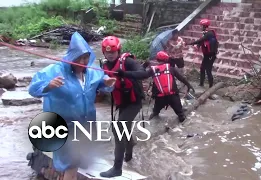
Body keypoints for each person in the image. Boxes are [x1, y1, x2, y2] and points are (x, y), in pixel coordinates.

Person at [28, 32, 116, 180]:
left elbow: (100, 81)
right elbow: (33, 88)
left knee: (78, 162)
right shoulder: (55, 70)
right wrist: (48, 86)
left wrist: (105, 82)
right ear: (72, 57)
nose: (83, 61)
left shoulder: (91, 72)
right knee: (71, 163)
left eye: (86, 57)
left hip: (86, 125)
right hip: (64, 126)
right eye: (80, 57)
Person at [99, 36, 145, 178]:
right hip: (121, 103)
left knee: (119, 128)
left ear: (118, 51)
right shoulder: (104, 65)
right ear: (104, 53)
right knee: (122, 128)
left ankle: (117, 168)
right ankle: (130, 146)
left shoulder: (128, 62)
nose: (111, 54)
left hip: (134, 102)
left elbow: (143, 73)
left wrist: (125, 73)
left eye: (113, 51)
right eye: (108, 52)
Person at [115, 51, 195, 123]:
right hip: (173, 96)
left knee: (155, 112)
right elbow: (182, 78)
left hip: (160, 98)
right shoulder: (171, 69)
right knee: (181, 115)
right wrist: (189, 85)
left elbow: (142, 75)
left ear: (157, 60)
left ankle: (153, 118)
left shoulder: (152, 70)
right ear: (167, 60)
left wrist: (125, 73)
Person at [186, 18, 219, 88]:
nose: (200, 27)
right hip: (207, 55)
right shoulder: (206, 33)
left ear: (204, 26)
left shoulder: (209, 33)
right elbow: (202, 41)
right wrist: (198, 45)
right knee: (202, 68)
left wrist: (190, 43)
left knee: (208, 70)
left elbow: (200, 40)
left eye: (201, 26)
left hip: (211, 56)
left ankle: (211, 86)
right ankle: (201, 83)